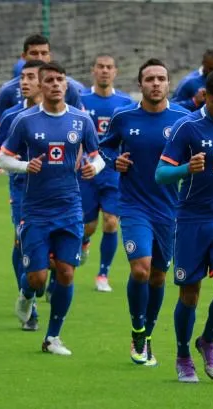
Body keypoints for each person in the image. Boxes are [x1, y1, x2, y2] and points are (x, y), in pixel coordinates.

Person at [0, 61, 104, 356]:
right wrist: (24, 165)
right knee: (38, 277)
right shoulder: (25, 121)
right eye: (50, 80)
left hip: (70, 208)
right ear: (41, 86)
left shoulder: (81, 121)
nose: (56, 84)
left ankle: (52, 337)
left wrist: (92, 168)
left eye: (61, 79)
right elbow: (2, 159)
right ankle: (26, 294)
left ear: (66, 85)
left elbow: (99, 156)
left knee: (67, 273)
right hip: (35, 210)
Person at [156, 69, 213, 383]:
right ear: (204, 97)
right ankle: (183, 355)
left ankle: (207, 340)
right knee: (190, 294)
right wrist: (185, 167)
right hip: (191, 221)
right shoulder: (187, 127)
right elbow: (160, 174)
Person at [100, 58, 189, 366]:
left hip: (170, 209)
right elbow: (105, 147)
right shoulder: (123, 117)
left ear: (168, 84)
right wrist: (115, 162)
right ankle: (137, 330)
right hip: (134, 205)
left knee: (159, 276)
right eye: (149, 78)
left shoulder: (182, 119)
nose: (155, 83)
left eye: (161, 78)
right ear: (140, 85)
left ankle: (148, 334)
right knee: (141, 268)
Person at [0, 59, 45, 331]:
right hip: (23, 188)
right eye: (22, 77)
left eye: (30, 77)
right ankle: (29, 302)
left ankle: (36, 287)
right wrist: (15, 163)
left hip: (59, 192)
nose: (24, 82)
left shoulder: (64, 111)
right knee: (22, 242)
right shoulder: (12, 115)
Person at [79, 54, 133, 292]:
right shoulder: (81, 100)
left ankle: (103, 275)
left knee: (111, 222)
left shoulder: (124, 102)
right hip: (86, 172)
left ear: (115, 72)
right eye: (100, 67)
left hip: (112, 172)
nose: (104, 71)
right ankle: (84, 242)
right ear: (93, 70)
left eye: (109, 67)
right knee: (88, 226)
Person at [0, 34, 84, 135]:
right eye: (34, 53)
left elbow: (81, 123)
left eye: (44, 53)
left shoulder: (69, 87)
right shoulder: (8, 90)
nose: (39, 58)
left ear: (50, 56)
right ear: (24, 57)